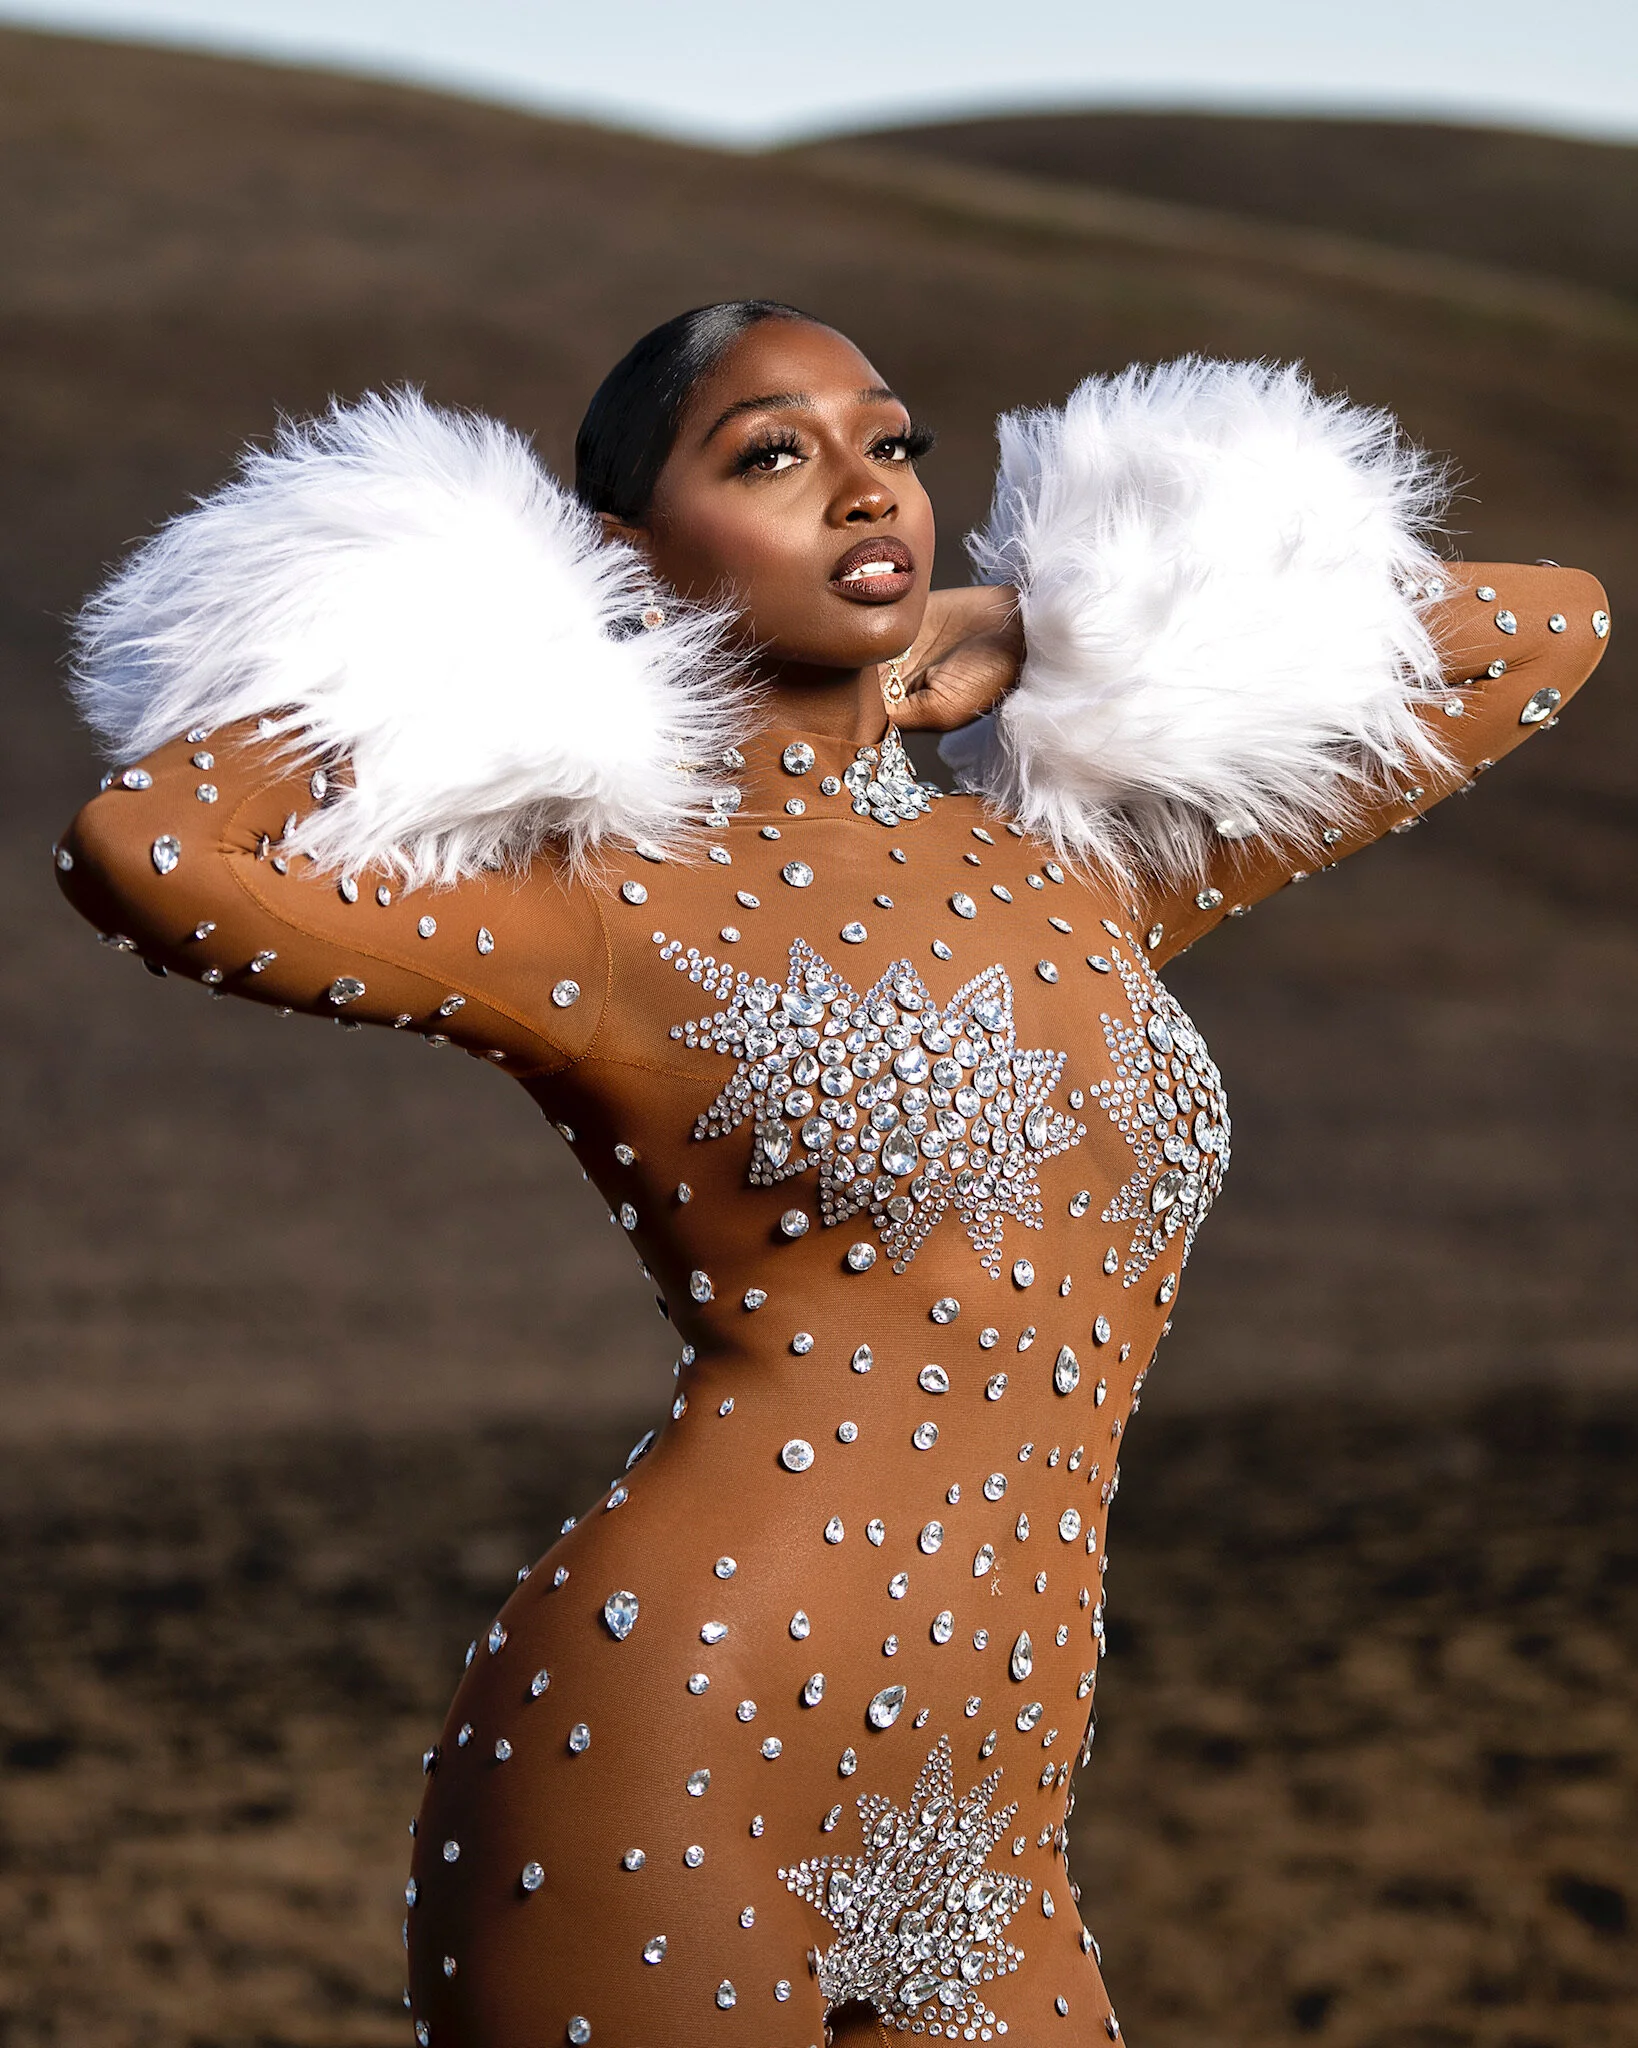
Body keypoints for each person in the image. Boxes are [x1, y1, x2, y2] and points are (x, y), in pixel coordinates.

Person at [54, 301, 1609, 2047]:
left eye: (889, 446)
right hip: (679, 1739)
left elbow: (1541, 633)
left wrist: (1030, 624)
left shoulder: (1072, 868)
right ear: (617, 554)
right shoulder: (602, 906)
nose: (863, 492)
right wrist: (511, 666)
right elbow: (149, 849)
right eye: (772, 457)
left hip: (990, 1818)